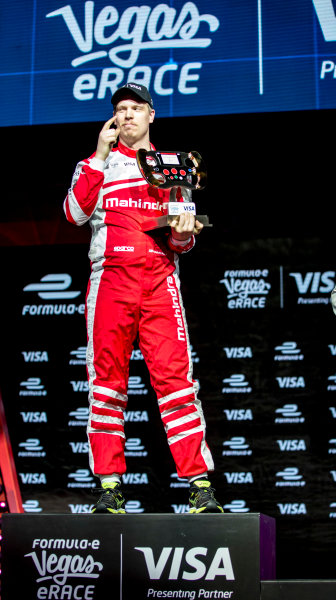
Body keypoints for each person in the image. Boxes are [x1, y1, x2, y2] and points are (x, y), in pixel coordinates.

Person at [64, 82, 223, 515]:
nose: (128, 114)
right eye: (121, 109)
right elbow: (74, 214)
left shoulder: (173, 166)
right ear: (113, 119)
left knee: (176, 384)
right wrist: (98, 155)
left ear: (152, 114)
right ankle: (110, 487)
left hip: (158, 282)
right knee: (106, 385)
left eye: (136, 107)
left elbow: (182, 239)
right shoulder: (94, 165)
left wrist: (182, 233)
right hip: (110, 282)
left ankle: (199, 487)